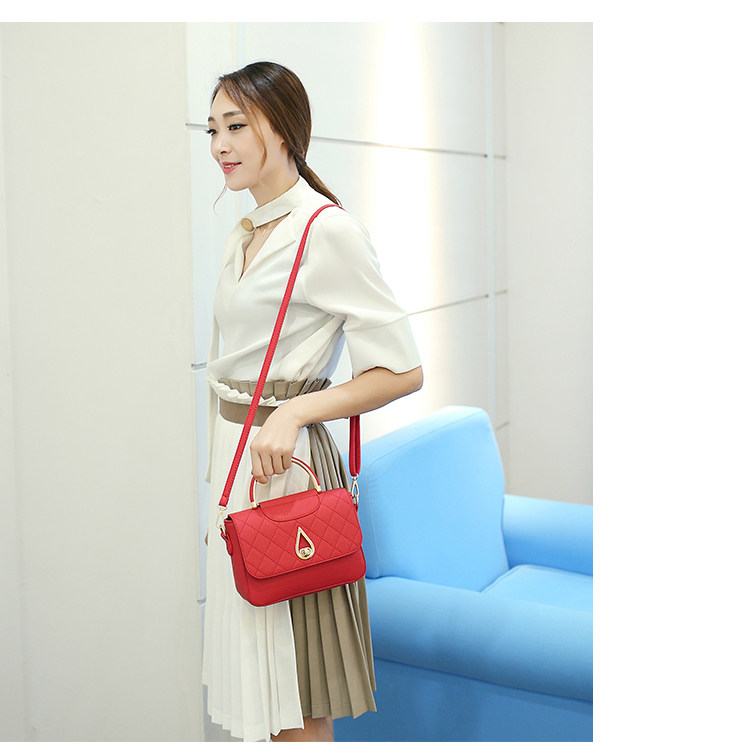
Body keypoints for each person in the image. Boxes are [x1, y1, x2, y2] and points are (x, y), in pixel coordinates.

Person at [201, 61, 423, 743]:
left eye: (236, 126)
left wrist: (296, 411)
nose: (220, 145)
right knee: (257, 689)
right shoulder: (247, 230)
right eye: (212, 130)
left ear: (282, 129)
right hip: (238, 459)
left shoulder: (325, 230)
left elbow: (402, 370)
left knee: (293, 695)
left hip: (287, 469)